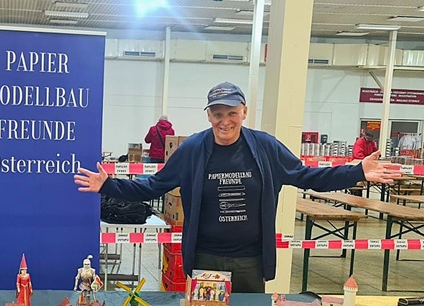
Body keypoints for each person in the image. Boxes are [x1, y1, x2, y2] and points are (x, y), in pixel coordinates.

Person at [74, 82, 402, 293]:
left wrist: (357, 171)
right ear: (208, 115)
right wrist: (109, 186)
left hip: (250, 261)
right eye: (218, 114)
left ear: (244, 112)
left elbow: (307, 177)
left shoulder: (265, 148)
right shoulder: (192, 150)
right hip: (205, 257)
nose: (225, 121)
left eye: (232, 113)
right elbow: (154, 186)